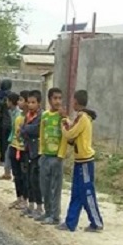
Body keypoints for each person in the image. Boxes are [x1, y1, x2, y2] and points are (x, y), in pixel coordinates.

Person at [59, 90, 103, 232]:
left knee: (87, 192)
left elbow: (70, 132)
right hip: (80, 160)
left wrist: (64, 121)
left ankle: (97, 223)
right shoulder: (82, 117)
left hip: (85, 161)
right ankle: (70, 222)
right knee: (76, 192)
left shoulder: (82, 117)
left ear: (76, 102)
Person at [37, 87, 67, 225]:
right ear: (49, 100)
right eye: (55, 98)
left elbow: (66, 136)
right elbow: (42, 134)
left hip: (56, 157)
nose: (58, 101)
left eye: (60, 98)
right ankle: (47, 212)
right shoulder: (45, 116)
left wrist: (61, 154)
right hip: (45, 156)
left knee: (56, 187)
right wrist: (41, 151)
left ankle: (55, 215)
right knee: (45, 186)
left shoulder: (62, 117)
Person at [20, 90, 43, 218]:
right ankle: (31, 205)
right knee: (27, 178)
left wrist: (25, 129)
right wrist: (25, 130)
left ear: (39, 103)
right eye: (29, 102)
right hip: (27, 149)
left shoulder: (41, 116)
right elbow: (23, 130)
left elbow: (36, 129)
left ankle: (39, 207)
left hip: (36, 151)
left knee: (35, 180)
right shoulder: (28, 115)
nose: (30, 105)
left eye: (33, 102)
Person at [8, 91, 29, 210]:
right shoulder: (17, 116)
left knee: (24, 176)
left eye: (21, 100)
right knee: (16, 175)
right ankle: (19, 197)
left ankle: (25, 200)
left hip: (24, 150)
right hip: (14, 147)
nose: (19, 102)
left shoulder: (29, 118)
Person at [0, 92, 21, 181]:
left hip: (17, 138)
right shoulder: (12, 111)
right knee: (9, 154)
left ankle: (11, 174)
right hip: (13, 137)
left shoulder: (17, 113)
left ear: (11, 102)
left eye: (8, 101)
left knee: (13, 156)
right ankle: (7, 173)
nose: (6, 103)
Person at [0, 79, 13, 163]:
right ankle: (7, 159)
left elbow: (0, 103)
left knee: (2, 141)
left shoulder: (3, 96)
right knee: (8, 142)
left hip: (4, 122)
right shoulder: (13, 95)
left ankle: (3, 158)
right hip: (10, 122)